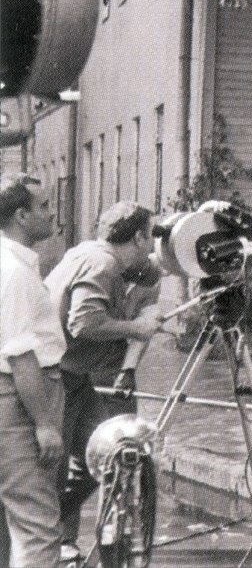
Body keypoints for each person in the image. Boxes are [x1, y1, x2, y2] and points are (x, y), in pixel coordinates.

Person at [45, 201, 164, 565]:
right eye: (150, 234)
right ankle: (43, 539)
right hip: (58, 376)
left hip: (72, 376)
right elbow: (83, 323)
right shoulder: (104, 263)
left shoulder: (85, 252)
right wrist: (136, 327)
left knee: (107, 453)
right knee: (56, 468)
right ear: (139, 237)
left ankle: (55, 532)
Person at [1, 174, 64, 568]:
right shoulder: (15, 272)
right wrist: (44, 422)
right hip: (19, 402)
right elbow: (21, 355)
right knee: (38, 527)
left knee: (10, 526)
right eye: (43, 206)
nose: (51, 212)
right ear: (22, 215)